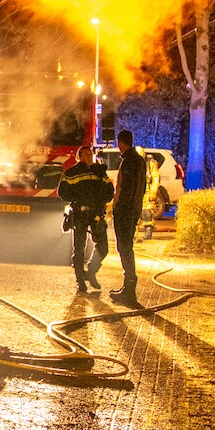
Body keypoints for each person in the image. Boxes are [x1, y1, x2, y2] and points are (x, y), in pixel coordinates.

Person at [57, 145, 114, 293]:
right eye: (86, 155)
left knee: (104, 247)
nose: (89, 157)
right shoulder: (72, 173)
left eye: (90, 154)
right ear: (79, 157)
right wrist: (77, 200)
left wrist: (101, 201)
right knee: (79, 249)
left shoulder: (99, 172)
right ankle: (80, 281)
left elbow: (110, 191)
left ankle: (91, 271)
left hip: (96, 214)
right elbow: (62, 191)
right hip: (80, 215)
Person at [110, 130, 147, 308]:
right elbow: (140, 187)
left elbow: (126, 188)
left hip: (125, 212)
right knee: (126, 246)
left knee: (124, 247)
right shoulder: (139, 160)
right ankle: (128, 287)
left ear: (120, 142)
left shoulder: (128, 161)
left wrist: (118, 207)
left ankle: (129, 290)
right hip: (133, 211)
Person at [139, 153, 162, 240]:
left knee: (146, 211)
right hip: (137, 190)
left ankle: (148, 231)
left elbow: (156, 178)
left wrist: (153, 192)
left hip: (147, 190)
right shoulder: (133, 163)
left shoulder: (150, 163)